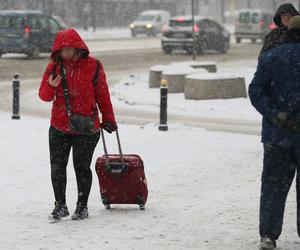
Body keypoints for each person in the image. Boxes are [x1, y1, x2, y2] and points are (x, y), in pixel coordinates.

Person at [39, 29, 117, 221]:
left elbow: (103, 95)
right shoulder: (53, 68)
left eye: (69, 49)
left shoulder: (94, 66)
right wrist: (51, 85)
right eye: (62, 50)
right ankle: (60, 205)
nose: (65, 53)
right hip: (59, 127)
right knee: (57, 167)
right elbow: (44, 96)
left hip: (87, 128)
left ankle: (82, 206)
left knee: (82, 167)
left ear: (78, 47)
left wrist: (109, 118)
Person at [249, 16, 300, 249]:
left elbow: (256, 91)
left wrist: (275, 114)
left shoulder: (271, 57)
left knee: (273, 186)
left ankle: (268, 234)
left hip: (276, 136)